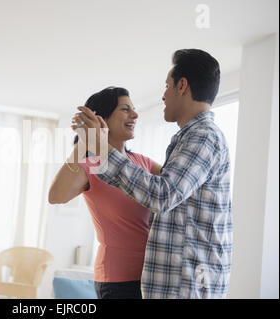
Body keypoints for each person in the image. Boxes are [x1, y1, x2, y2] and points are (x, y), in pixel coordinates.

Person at [73, 49, 233, 299]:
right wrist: (89, 146)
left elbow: (161, 195)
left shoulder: (203, 136)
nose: (163, 95)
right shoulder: (189, 139)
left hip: (187, 287)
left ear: (182, 86)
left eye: (167, 86)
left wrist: (102, 148)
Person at [48, 87, 162, 299]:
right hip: (117, 280)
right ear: (102, 120)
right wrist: (86, 140)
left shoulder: (142, 162)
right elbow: (55, 196)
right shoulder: (94, 165)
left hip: (151, 276)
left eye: (134, 109)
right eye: (125, 109)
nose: (135, 115)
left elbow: (176, 189)